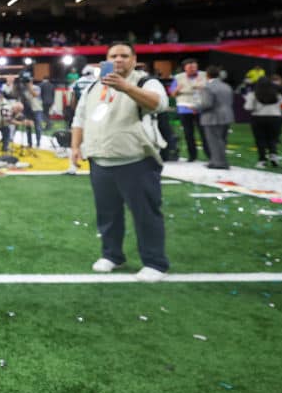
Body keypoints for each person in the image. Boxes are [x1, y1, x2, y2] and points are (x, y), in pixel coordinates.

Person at [70, 43, 169, 282]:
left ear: (134, 59)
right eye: (113, 56)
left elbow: (160, 104)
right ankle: (112, 254)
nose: (119, 60)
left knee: (145, 214)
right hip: (101, 160)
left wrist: (125, 87)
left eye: (124, 56)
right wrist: (75, 146)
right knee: (108, 214)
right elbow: (79, 117)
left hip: (136, 160)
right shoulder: (94, 86)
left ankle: (155, 262)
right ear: (106, 59)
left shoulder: (147, 82)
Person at [169, 58, 208, 162]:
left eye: (194, 67)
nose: (192, 69)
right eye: (189, 67)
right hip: (184, 109)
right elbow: (172, 94)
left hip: (201, 108)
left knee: (205, 133)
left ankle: (210, 155)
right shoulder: (178, 77)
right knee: (188, 134)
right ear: (185, 68)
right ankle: (192, 156)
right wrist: (177, 89)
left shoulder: (204, 75)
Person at [244, 76, 282, 168]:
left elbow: (248, 107)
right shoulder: (278, 95)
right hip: (275, 118)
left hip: (258, 118)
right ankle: (274, 156)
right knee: (273, 139)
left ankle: (262, 160)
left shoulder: (253, 94)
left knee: (260, 140)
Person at [197, 65, 234, 170]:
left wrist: (195, 107)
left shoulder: (208, 87)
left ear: (207, 75)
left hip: (212, 117)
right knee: (222, 140)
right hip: (227, 115)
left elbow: (207, 104)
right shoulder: (226, 86)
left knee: (213, 141)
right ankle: (219, 161)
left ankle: (218, 162)